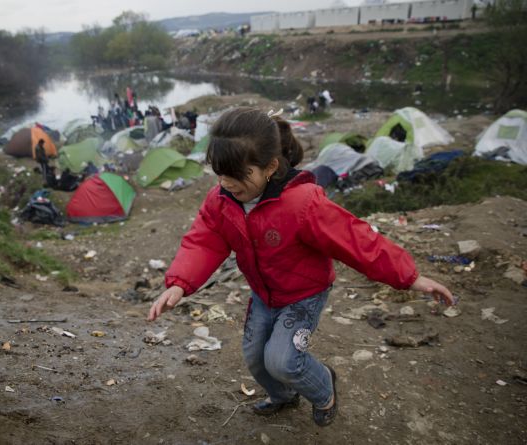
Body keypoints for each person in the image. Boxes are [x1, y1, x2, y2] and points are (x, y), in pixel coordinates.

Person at [147, 107, 455, 428]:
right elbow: (205, 240)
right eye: (220, 173)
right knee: (256, 359)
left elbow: (357, 241)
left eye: (237, 175)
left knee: (282, 360)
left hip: (303, 294)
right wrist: (179, 283)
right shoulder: (221, 199)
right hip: (264, 294)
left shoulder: (303, 203)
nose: (227, 183)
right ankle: (283, 397)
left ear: (270, 167)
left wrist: (411, 277)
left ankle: (324, 390)